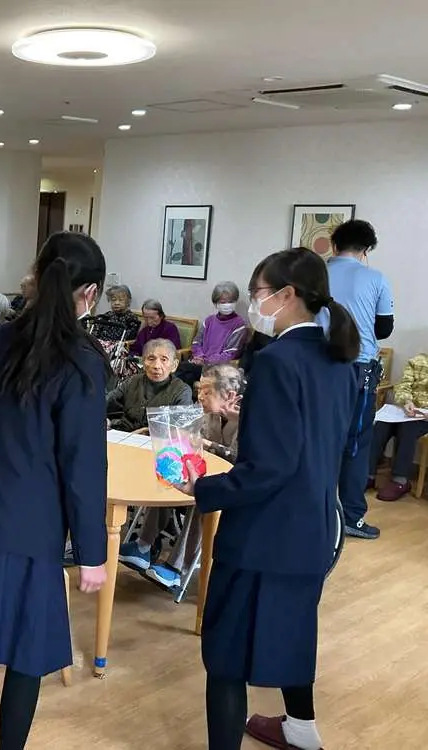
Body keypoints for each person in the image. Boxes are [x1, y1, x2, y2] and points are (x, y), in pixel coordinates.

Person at [176, 247, 359, 750]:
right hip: (314, 527)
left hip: (264, 536)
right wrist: (252, 421)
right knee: (293, 635)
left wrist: (202, 488)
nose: (252, 303)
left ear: (286, 295)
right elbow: (320, 443)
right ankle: (301, 730)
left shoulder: (278, 360)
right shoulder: (339, 359)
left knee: (226, 656)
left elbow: (269, 469)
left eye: (257, 292)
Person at [0, 232, 109, 750]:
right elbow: (82, 464)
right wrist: (93, 553)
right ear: (90, 293)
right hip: (31, 524)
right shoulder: (81, 360)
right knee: (27, 652)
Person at [120, 364, 242, 589]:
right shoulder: (204, 412)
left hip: (230, 487)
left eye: (207, 391)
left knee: (203, 496)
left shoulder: (247, 421)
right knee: (170, 474)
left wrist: (208, 444)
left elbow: (239, 458)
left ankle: (176, 568)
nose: (200, 396)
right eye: (199, 389)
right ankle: (143, 546)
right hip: (202, 474)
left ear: (229, 396)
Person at [324, 219, 393, 540]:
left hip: (318, 364)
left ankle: (315, 509)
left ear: (334, 245)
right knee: (355, 445)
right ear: (366, 249)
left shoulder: (316, 273)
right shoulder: (375, 278)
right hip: (358, 369)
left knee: (318, 438)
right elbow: (384, 329)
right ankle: (351, 516)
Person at [369, 352, 428, 501]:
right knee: (381, 425)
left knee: (408, 429)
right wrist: (407, 402)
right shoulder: (417, 361)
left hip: (424, 416)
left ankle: (400, 480)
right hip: (407, 411)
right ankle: (367, 474)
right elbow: (403, 385)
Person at [106, 338, 192, 432]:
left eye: (164, 359)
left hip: (156, 439)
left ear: (174, 365)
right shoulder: (133, 381)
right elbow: (105, 402)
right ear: (143, 362)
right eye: (151, 359)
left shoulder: (182, 391)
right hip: (123, 434)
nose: (156, 366)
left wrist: (147, 432)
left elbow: (182, 429)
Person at [176, 281, 248, 387]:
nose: (227, 305)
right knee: (182, 374)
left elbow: (230, 354)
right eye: (223, 302)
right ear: (216, 303)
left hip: (219, 368)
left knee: (180, 370)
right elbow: (196, 342)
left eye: (230, 301)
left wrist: (206, 361)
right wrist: (199, 356)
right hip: (199, 364)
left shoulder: (239, 324)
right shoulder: (209, 320)